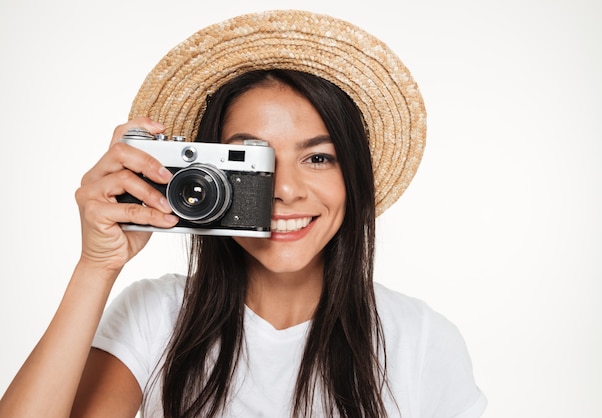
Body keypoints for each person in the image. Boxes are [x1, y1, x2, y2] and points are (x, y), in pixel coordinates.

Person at [0, 10, 486, 418]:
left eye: (319, 157)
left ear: (353, 176)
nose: (286, 191)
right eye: (254, 162)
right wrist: (97, 265)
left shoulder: (421, 340)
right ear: (205, 176)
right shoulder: (153, 318)